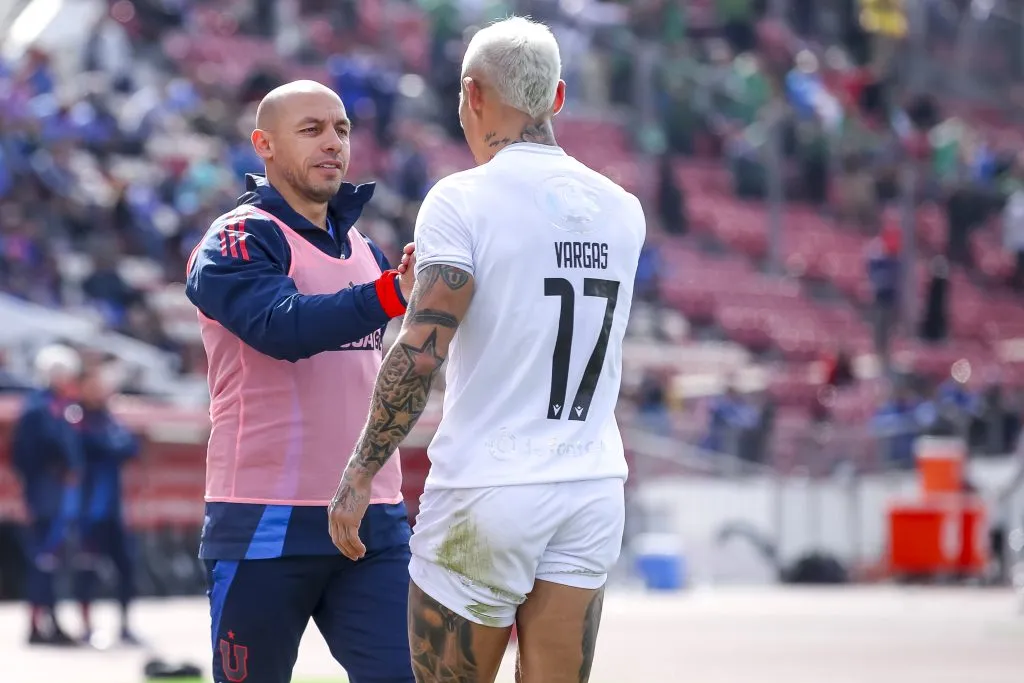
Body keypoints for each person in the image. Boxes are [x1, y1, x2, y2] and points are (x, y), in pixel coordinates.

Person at [329, 17, 645, 683]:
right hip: (590, 484)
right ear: (557, 97)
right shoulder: (622, 208)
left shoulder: (462, 199)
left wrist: (360, 472)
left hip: (490, 484)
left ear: (472, 94)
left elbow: (422, 349)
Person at [184, 80, 417, 683]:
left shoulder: (364, 248)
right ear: (263, 144)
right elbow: (280, 328)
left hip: (373, 516)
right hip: (264, 521)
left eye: (341, 129)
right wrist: (391, 293)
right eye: (311, 130)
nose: (333, 143)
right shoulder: (236, 238)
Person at [11, 344, 84, 646]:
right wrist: (53, 470)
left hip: (60, 497)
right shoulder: (37, 409)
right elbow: (23, 455)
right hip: (44, 496)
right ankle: (40, 624)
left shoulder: (60, 407)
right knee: (43, 561)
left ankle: (50, 620)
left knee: (53, 563)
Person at [73, 364, 141, 647]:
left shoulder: (108, 418)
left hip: (113, 508)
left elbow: (130, 446)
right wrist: (110, 446)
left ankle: (125, 627)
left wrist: (111, 445)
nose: (99, 391)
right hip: (87, 509)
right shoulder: (76, 418)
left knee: (126, 567)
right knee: (87, 569)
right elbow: (95, 446)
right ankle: (86, 627)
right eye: (93, 386)